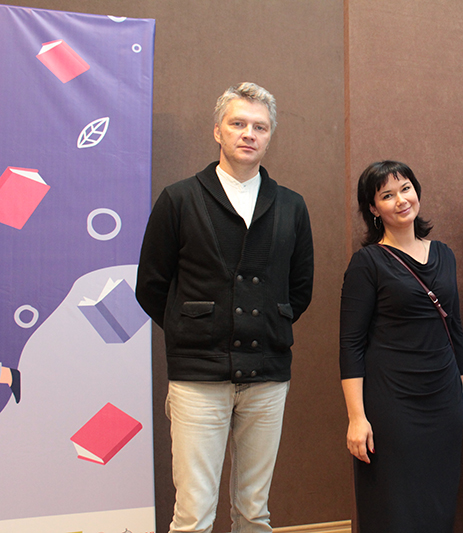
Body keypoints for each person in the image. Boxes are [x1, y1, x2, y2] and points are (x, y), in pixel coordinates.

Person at [136, 82, 314, 533]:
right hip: (197, 376)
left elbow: (300, 288)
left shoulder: (291, 206)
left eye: (260, 127)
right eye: (238, 123)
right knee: (193, 515)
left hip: (268, 375)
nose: (248, 134)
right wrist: (192, 327)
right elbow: (151, 286)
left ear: (269, 136)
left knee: (255, 512)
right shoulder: (179, 199)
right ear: (218, 130)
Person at [339, 160, 463, 533]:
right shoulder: (367, 263)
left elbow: (455, 329)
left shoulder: (444, 254)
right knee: (394, 508)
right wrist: (356, 417)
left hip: (443, 399)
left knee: (438, 503)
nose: (401, 200)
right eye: (387, 195)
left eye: (405, 189)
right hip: (392, 404)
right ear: (373, 208)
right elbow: (350, 344)